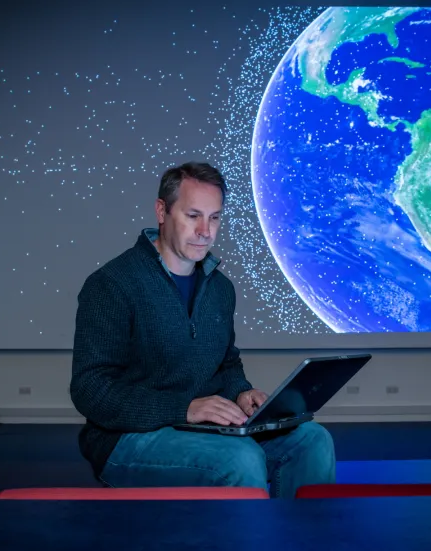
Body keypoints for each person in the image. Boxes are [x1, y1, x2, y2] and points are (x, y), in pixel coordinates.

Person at [69, 161, 336, 497]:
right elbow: (90, 390)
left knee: (313, 440)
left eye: (214, 217)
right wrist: (184, 408)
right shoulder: (112, 285)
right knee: (241, 459)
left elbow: (226, 364)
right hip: (126, 439)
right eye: (193, 215)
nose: (205, 231)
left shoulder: (221, 288)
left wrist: (241, 392)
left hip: (202, 429)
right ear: (162, 212)